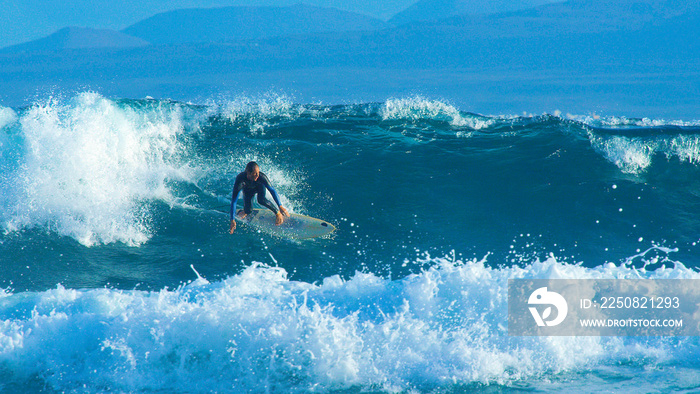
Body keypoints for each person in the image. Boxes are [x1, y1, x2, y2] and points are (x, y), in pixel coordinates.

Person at [229, 161, 289, 234]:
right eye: (255, 174)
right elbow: (234, 201)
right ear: (248, 173)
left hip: (259, 187)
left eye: (258, 173)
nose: (258, 175)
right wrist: (232, 220)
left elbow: (272, 191)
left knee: (261, 200)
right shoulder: (240, 180)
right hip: (248, 191)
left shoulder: (261, 177)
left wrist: (280, 206)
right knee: (248, 211)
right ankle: (245, 211)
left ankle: (277, 213)